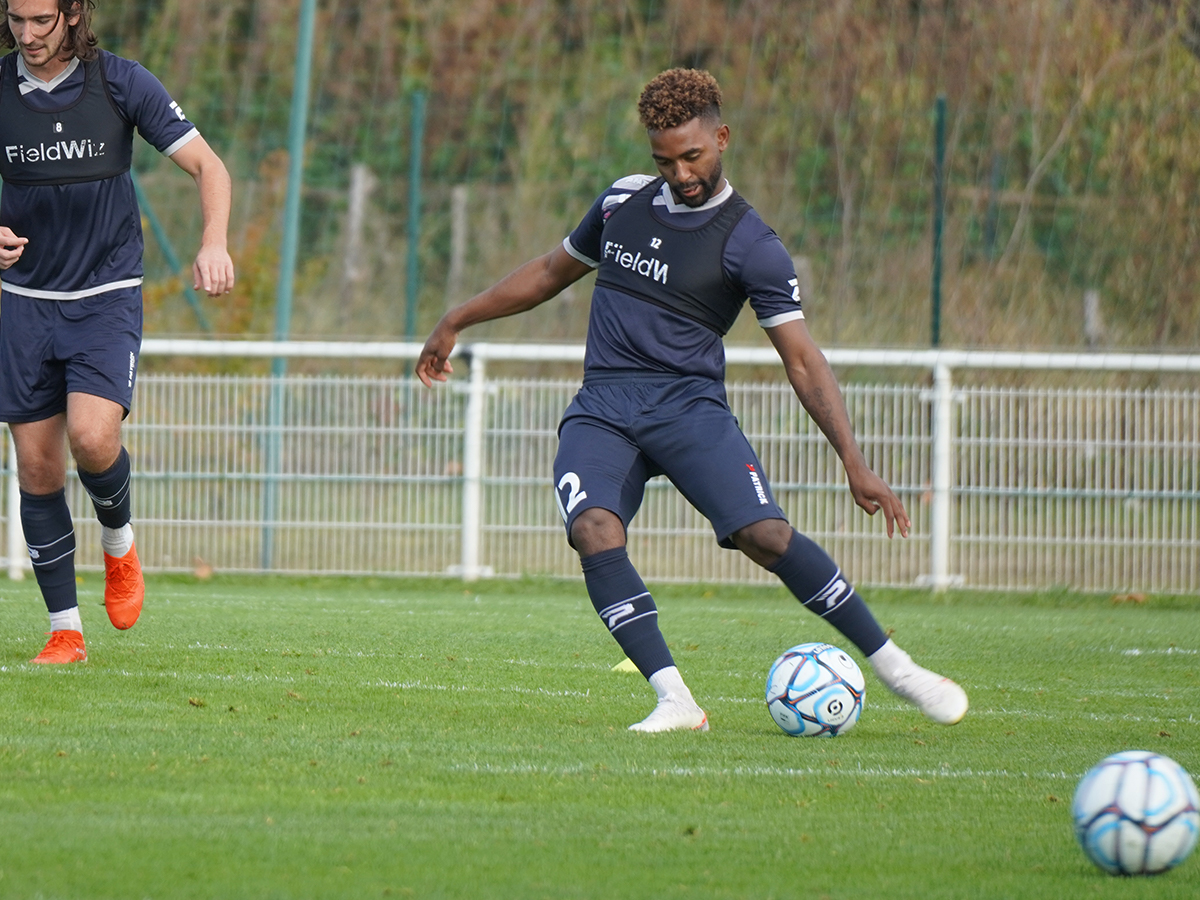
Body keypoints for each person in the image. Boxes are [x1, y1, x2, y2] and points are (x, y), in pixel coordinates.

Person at [416, 68, 967, 732]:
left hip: (688, 408)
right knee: (593, 528)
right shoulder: (622, 202)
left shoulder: (752, 245)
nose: (679, 173)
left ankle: (895, 665)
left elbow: (801, 359)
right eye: (665, 159)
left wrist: (853, 460)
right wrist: (457, 319)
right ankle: (675, 699)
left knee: (765, 534)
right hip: (605, 407)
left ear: (722, 138)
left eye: (692, 156)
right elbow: (548, 272)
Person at [0, 0, 234, 664]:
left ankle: (119, 541)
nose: (28, 33)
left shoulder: (121, 82)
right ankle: (64, 630)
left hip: (105, 297)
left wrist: (213, 243)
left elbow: (209, 167)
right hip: (24, 303)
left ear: (74, 14)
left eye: (42, 19)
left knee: (93, 437)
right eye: (17, 19)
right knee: (39, 467)